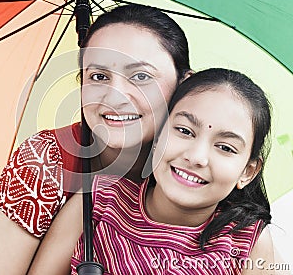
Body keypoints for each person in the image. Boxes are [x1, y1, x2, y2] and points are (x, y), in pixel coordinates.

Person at [0, 4, 192, 274]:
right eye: (98, 76)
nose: (115, 97)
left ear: (185, 84)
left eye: (141, 76)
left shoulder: (197, 171)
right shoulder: (45, 163)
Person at [32, 68, 278, 274]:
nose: (196, 157)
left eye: (225, 147)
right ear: (158, 132)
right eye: (184, 131)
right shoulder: (97, 203)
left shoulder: (247, 243)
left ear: (248, 171)